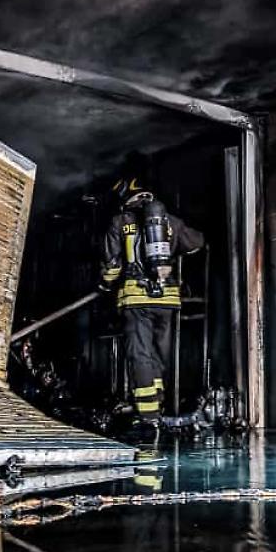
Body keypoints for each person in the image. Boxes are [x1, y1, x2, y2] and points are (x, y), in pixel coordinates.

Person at [99, 176, 204, 430]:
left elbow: (112, 266)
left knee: (140, 355)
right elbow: (197, 243)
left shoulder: (120, 222)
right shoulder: (171, 221)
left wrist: (105, 284)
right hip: (167, 301)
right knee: (159, 354)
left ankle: (147, 418)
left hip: (136, 299)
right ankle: (158, 406)